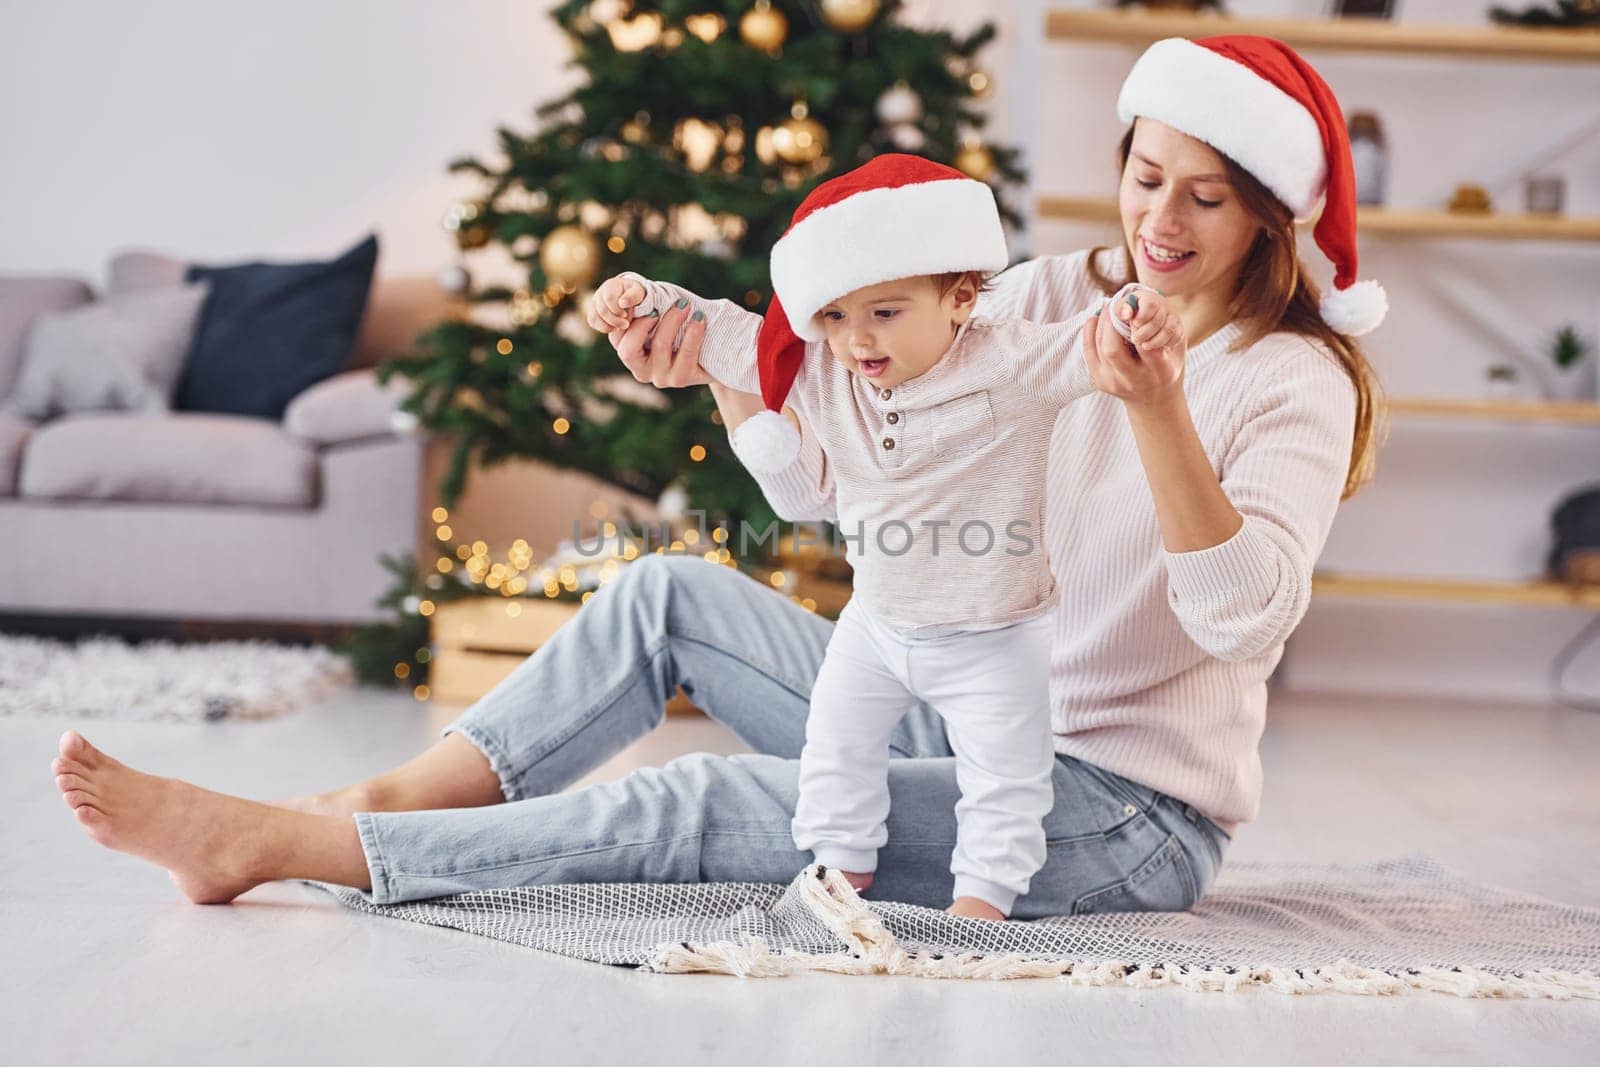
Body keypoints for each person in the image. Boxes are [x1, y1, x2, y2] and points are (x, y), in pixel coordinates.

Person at [50, 34, 1383, 923]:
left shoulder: (1292, 380)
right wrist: (723, 368)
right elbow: (838, 471)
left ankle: (297, 848)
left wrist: (1153, 410)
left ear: (1270, 212)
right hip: (951, 690)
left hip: (1115, 807)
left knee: (717, 799)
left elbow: (1241, 617)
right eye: (1148, 177)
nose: (1160, 222)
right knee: (671, 595)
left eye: (1208, 198)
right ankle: (381, 798)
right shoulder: (1048, 294)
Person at [587, 153, 1180, 919]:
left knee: (1007, 777)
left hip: (994, 634)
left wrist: (1136, 314)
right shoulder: (825, 370)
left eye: (886, 313)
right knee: (833, 749)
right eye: (834, 316)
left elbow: (1092, 338)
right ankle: (838, 876)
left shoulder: (1014, 362)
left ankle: (983, 903)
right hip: (877, 624)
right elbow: (719, 331)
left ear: (961, 298)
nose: (857, 340)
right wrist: (643, 299)